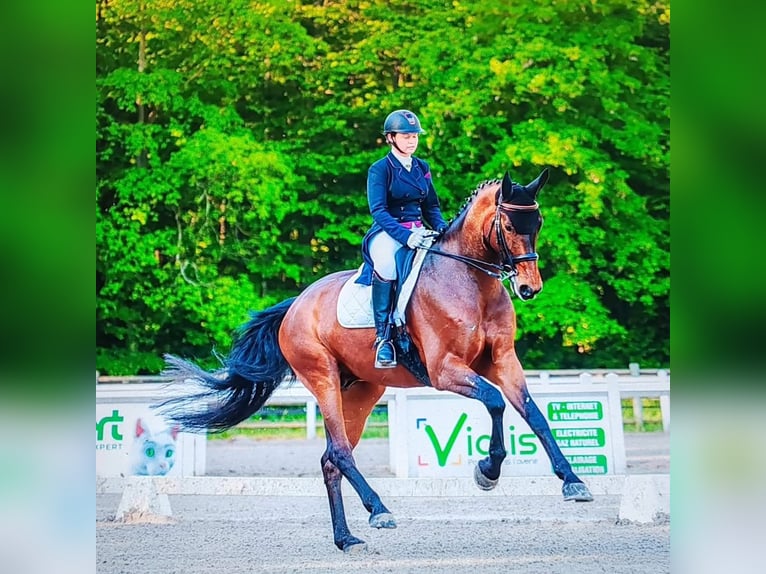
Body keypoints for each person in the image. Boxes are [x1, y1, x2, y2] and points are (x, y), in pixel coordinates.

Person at [355, 109, 449, 368]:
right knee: (386, 266)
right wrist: (406, 237)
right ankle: (383, 339)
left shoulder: (422, 167)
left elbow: (432, 207)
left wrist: (443, 229)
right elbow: (378, 211)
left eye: (415, 136)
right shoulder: (380, 169)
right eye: (406, 136)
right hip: (387, 232)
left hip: (420, 231)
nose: (412, 141)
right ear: (391, 138)